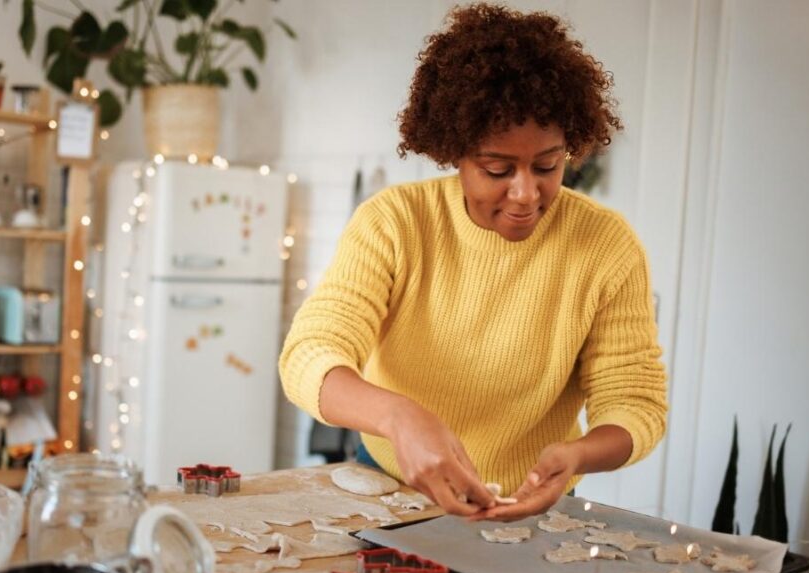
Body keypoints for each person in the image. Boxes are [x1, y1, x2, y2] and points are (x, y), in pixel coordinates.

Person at [278, 3, 668, 522]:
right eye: (497, 169)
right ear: (454, 152)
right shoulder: (394, 224)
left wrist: (577, 455)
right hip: (389, 493)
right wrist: (398, 417)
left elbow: (634, 403)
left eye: (548, 165)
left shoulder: (606, 246)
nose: (527, 193)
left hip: (534, 512)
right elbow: (310, 354)